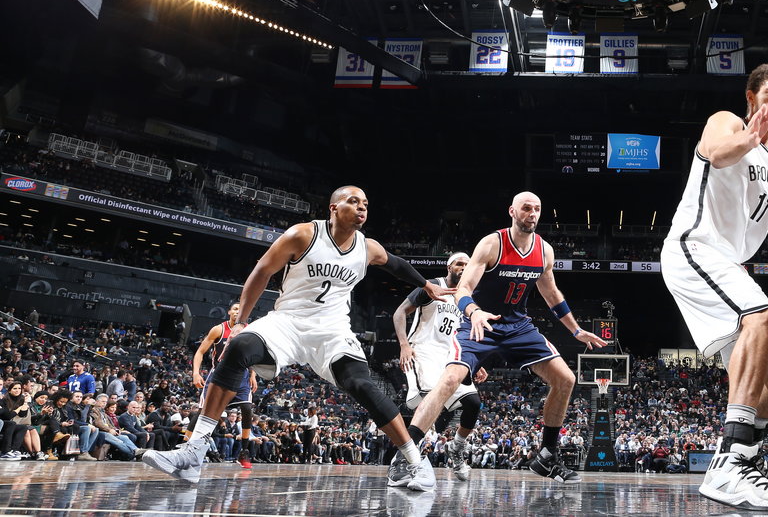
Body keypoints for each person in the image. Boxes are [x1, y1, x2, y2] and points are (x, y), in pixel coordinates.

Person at [141, 185, 451, 485]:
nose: (362, 208)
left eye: (366, 204)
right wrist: (241, 321)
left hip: (332, 329)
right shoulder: (303, 234)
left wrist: (425, 285)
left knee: (361, 384)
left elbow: (396, 265)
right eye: (354, 201)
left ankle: (414, 460)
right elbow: (262, 271)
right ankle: (194, 452)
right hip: (288, 321)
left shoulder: (367, 247)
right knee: (239, 346)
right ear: (334, 207)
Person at [660, 63, 768, 510]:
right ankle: (732, 463)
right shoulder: (726, 122)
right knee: (763, 317)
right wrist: (752, 135)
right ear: (752, 97)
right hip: (693, 249)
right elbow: (714, 151)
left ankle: (738, 458)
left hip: (728, 263)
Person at [400, 191, 607, 491]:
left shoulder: (544, 251)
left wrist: (576, 330)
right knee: (449, 380)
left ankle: (547, 454)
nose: (532, 214)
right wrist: (474, 313)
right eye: (526, 208)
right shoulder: (492, 244)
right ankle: (408, 454)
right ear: (512, 211)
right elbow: (464, 288)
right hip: (480, 322)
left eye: (537, 209)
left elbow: (552, 296)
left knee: (565, 379)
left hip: (518, 326)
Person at [393, 251, 488, 481]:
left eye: (467, 264)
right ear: (449, 267)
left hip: (451, 356)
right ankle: (405, 461)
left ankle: (456, 449)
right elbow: (399, 312)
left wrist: (475, 363)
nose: (463, 267)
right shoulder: (433, 286)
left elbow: (467, 334)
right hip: (423, 351)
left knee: (473, 403)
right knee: (431, 403)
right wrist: (404, 345)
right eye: (458, 264)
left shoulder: (468, 297)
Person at [189, 302, 258, 469]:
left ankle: (244, 451)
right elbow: (200, 351)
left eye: (241, 309)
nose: (237, 312)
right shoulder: (219, 329)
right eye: (235, 309)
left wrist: (253, 374)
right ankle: (186, 445)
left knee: (247, 408)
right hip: (219, 373)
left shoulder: (250, 330)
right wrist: (196, 373)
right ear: (229, 312)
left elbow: (254, 356)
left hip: (241, 375)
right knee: (202, 411)